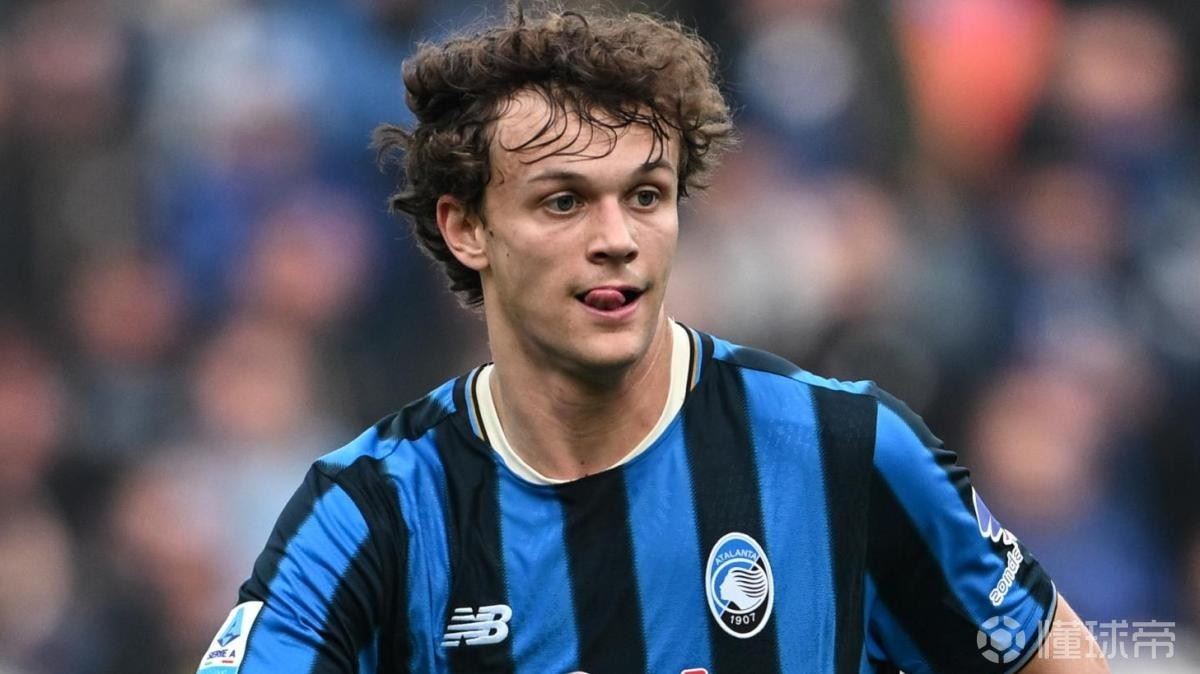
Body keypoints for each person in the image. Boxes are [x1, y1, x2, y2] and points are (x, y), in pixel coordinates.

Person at [198, 5, 1109, 673]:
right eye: (563, 201)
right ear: (466, 226)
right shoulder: (372, 512)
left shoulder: (845, 452)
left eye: (645, 196)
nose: (617, 238)